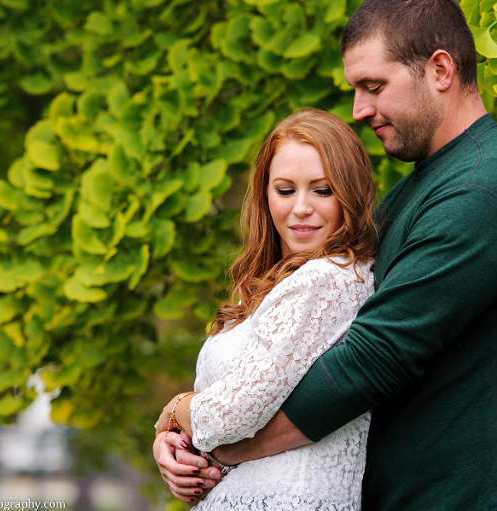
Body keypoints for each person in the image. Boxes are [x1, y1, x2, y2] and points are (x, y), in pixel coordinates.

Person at [155, 0, 497, 509]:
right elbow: (295, 353)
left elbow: (371, 361)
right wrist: (184, 434)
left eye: (373, 86)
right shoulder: (416, 194)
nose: (358, 109)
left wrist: (216, 446)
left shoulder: (488, 193)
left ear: (440, 70)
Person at [154, 108, 379, 508]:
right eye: (285, 190)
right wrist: (173, 448)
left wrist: (173, 409)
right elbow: (227, 414)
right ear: (265, 194)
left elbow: (232, 413)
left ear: (351, 193)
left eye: (322, 190)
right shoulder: (272, 284)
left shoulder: (327, 279)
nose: (302, 208)